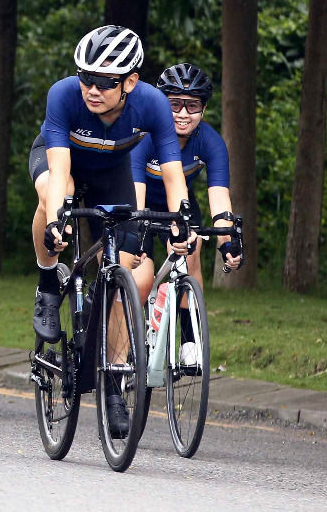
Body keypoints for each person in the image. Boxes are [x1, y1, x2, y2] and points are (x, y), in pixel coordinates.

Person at [29, 25, 191, 438]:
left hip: (112, 172)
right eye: (86, 76)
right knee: (54, 193)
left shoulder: (152, 104)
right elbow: (61, 166)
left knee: (121, 269)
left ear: (131, 82)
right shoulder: (64, 94)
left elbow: (174, 176)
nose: (91, 88)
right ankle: (49, 282)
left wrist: (182, 222)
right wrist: (56, 220)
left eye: (105, 81)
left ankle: (114, 383)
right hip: (61, 162)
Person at [126, 64, 242, 366]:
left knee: (192, 252)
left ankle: (190, 339)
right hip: (139, 202)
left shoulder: (211, 142)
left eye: (192, 105)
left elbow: (219, 198)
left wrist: (228, 242)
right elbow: (135, 190)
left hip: (179, 206)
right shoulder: (145, 137)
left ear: (203, 109)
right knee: (139, 273)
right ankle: (127, 334)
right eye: (174, 103)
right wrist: (137, 233)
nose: (182, 113)